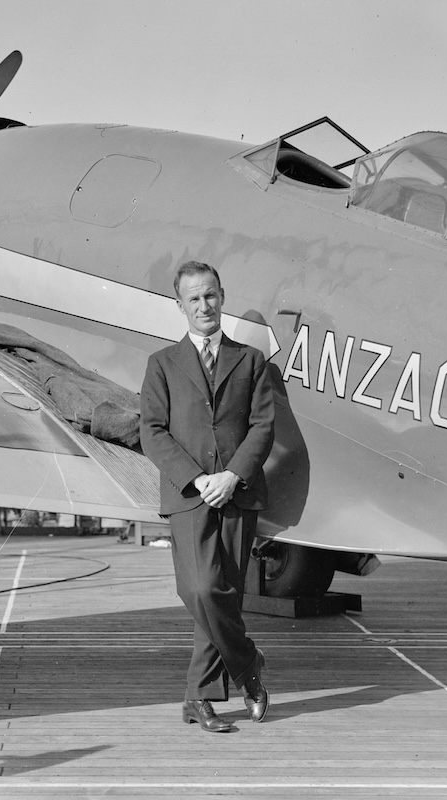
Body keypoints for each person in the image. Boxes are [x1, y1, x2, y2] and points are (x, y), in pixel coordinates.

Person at [140, 261, 276, 733]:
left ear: (223, 296)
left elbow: (263, 426)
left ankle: (199, 698)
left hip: (238, 495)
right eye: (194, 299)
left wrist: (233, 475)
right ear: (180, 305)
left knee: (225, 598)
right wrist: (199, 479)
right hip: (190, 496)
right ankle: (247, 666)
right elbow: (152, 431)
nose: (205, 306)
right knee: (199, 591)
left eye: (211, 296)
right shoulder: (162, 364)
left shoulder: (251, 360)